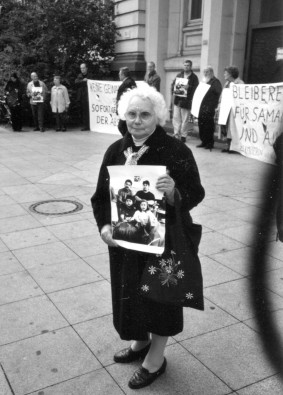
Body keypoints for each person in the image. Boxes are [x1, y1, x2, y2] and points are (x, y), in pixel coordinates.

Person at [91, 83, 205, 390]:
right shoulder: (116, 151)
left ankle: (155, 360)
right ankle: (140, 343)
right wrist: (104, 227)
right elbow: (101, 197)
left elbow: (196, 193)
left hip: (163, 244)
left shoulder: (176, 151)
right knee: (131, 296)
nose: (137, 120)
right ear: (123, 115)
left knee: (161, 298)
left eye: (144, 114)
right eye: (131, 114)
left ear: (157, 117)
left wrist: (174, 194)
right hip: (126, 243)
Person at [171, 60, 199, 143]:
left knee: (185, 119)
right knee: (176, 118)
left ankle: (183, 135)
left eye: (188, 65)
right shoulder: (179, 75)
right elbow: (173, 85)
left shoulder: (194, 77)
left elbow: (196, 89)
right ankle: (176, 134)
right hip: (178, 100)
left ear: (191, 66)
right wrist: (175, 88)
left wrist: (189, 87)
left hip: (186, 101)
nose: (186, 67)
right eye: (185, 65)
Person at [218, 66, 244, 153]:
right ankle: (228, 146)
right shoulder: (227, 83)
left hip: (234, 110)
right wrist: (219, 105)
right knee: (226, 127)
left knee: (232, 128)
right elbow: (223, 95)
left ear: (230, 74)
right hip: (226, 109)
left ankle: (234, 147)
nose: (224, 74)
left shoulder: (240, 83)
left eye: (226, 73)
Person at [197, 66, 222, 150]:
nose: (205, 74)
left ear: (211, 72)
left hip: (210, 107)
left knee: (208, 126)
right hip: (201, 107)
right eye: (204, 72)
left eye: (207, 72)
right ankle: (203, 141)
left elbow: (218, 93)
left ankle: (209, 143)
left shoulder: (215, 82)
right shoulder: (204, 81)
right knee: (201, 124)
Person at [116, 67, 136, 136]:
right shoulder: (132, 81)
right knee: (125, 127)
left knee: (121, 126)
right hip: (130, 109)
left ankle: (128, 141)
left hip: (126, 109)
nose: (119, 75)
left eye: (120, 74)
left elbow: (123, 98)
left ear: (123, 75)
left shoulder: (126, 84)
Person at [75, 63, 94, 131]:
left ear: (86, 68)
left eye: (83, 68)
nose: (82, 69)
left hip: (89, 96)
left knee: (88, 111)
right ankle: (85, 125)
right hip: (81, 97)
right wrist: (83, 81)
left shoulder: (90, 75)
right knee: (83, 112)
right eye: (81, 68)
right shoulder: (79, 76)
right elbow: (76, 83)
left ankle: (90, 125)